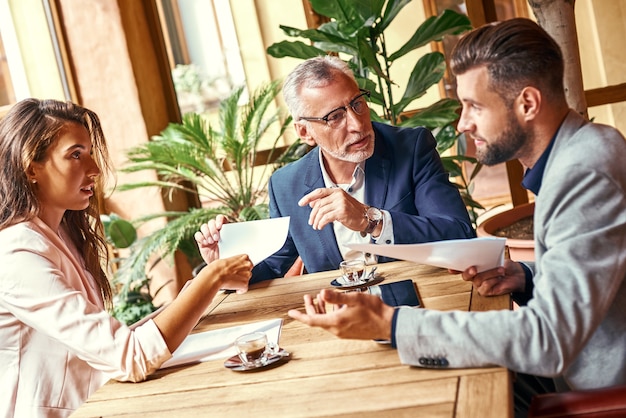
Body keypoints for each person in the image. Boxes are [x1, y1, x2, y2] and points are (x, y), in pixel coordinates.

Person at [287, 18, 626, 416]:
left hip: (593, 391)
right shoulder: (582, 152)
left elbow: (547, 340)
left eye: (474, 106)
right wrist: (529, 276)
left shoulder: (584, 174)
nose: (462, 123)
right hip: (574, 367)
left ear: (528, 104)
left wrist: (392, 325)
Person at [0, 98, 253, 417]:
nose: (94, 170)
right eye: (75, 155)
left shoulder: (58, 234)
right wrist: (211, 278)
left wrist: (207, 281)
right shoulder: (17, 253)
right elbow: (130, 356)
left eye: (90, 153)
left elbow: (121, 341)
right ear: (31, 167)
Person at [195, 55, 474, 283]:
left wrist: (370, 219)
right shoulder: (286, 185)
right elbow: (275, 267)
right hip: (339, 321)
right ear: (305, 131)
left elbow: (459, 235)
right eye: (335, 117)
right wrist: (223, 263)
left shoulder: (410, 149)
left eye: (357, 104)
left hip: (418, 307)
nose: (357, 123)